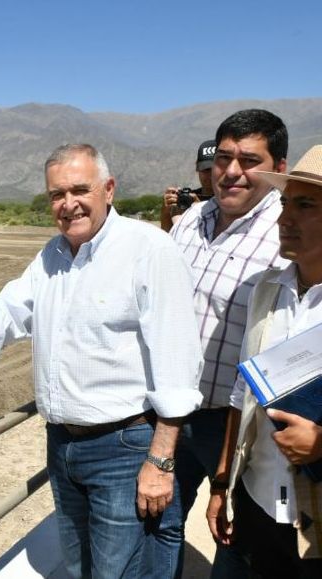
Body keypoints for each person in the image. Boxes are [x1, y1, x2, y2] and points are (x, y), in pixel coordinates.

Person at [0, 143, 203, 579]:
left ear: (108, 189)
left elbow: (177, 362)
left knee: (121, 572)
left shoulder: (149, 250)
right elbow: (8, 309)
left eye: (79, 190)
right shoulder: (53, 254)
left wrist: (160, 462)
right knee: (80, 566)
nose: (68, 204)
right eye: (56, 195)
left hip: (123, 449)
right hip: (63, 446)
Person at [169, 109, 289, 576]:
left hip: (240, 427)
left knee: (237, 540)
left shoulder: (287, 233)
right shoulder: (191, 220)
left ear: (279, 166)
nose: (232, 171)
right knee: (156, 522)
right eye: (223, 158)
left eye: (249, 160)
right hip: (171, 415)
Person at [206, 144, 322, 577]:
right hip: (257, 499)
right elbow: (243, 391)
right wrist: (223, 482)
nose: (284, 219)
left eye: (305, 205)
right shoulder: (267, 290)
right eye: (285, 203)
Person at [160, 139, 217, 232]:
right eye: (205, 170)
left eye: (214, 169)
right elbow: (168, 236)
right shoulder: (186, 199)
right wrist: (166, 212)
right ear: (197, 167)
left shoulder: (231, 202)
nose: (210, 175)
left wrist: (200, 209)